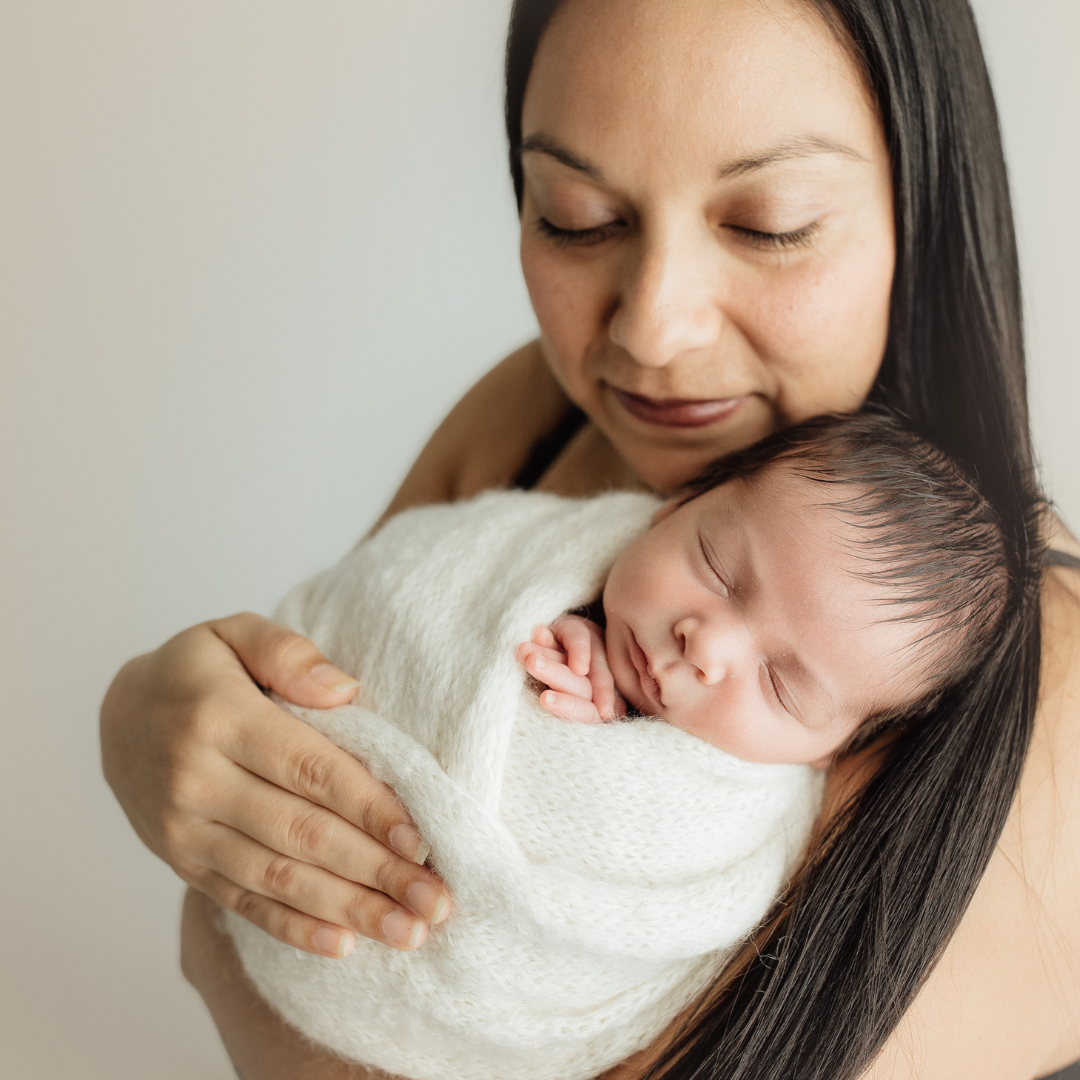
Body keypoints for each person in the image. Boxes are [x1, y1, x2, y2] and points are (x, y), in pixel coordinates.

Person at [99, 0, 1080, 1077]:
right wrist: (151, 724)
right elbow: (337, 694)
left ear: (926, 206)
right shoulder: (538, 414)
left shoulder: (1042, 706)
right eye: (575, 216)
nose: (651, 329)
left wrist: (210, 938)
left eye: (770, 223)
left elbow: (237, 946)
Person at [228, 411, 1012, 1080]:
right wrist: (547, 641)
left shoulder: (742, 821)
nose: (705, 645)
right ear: (679, 502)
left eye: (783, 685)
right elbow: (404, 596)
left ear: (832, 751)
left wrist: (612, 735)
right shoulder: (540, 502)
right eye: (720, 569)